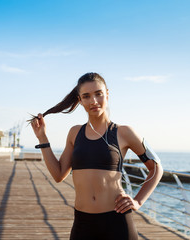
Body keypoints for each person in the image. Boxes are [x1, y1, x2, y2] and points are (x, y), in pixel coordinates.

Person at [30, 72, 163, 240]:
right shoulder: (74, 133)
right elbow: (58, 174)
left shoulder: (124, 132)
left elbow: (156, 167)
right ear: (80, 100)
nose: (93, 101)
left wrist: (138, 201)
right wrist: (42, 137)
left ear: (107, 93)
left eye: (98, 94)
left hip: (117, 221)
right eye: (86, 96)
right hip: (83, 223)